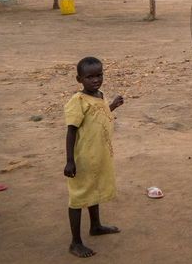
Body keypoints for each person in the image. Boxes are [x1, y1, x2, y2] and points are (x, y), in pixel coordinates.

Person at [64, 56, 125, 258]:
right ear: (78, 79)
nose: (95, 80)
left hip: (99, 155)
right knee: (79, 196)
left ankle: (96, 226)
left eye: (99, 75)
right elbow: (71, 131)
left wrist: (113, 106)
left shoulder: (100, 95)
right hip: (83, 157)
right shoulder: (78, 101)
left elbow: (100, 116)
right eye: (89, 77)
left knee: (94, 189)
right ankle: (75, 242)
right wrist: (70, 161)